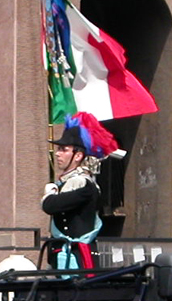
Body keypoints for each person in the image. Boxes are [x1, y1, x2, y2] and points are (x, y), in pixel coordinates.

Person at [41, 112, 123, 271]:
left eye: (64, 149)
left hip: (78, 259)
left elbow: (50, 206)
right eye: (58, 149)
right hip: (63, 256)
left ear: (78, 155)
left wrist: (49, 195)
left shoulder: (83, 184)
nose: (58, 153)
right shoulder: (67, 181)